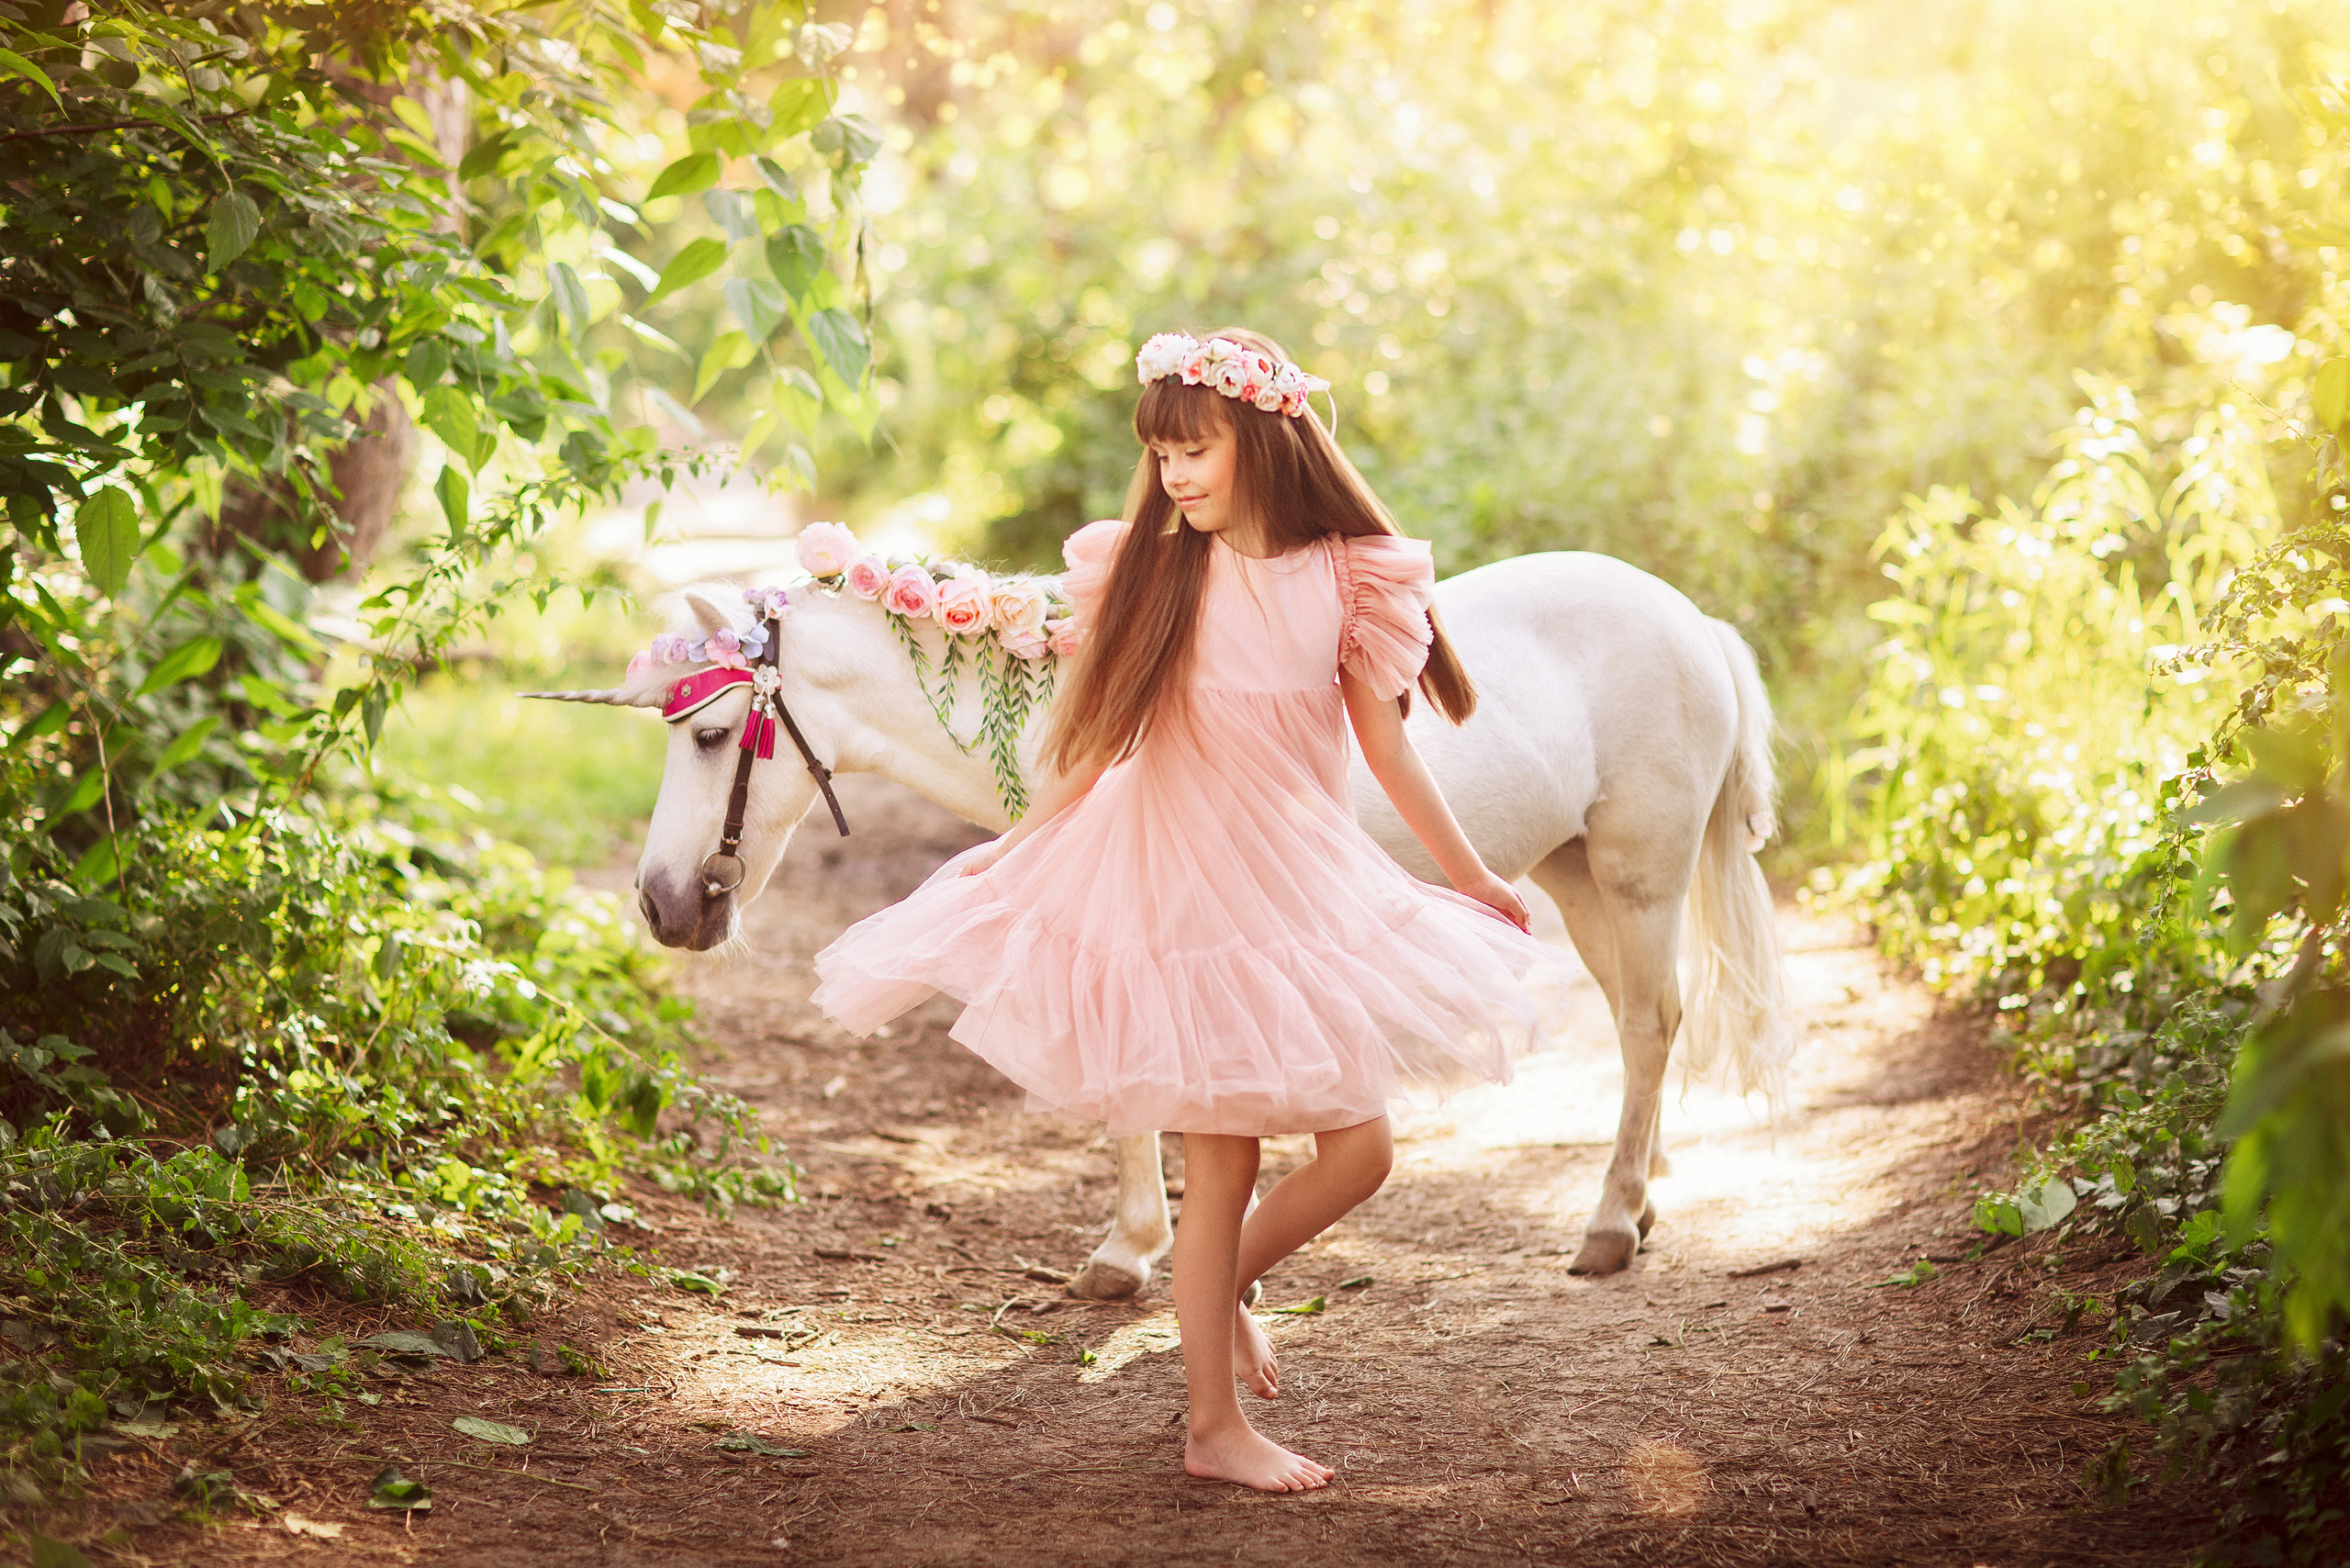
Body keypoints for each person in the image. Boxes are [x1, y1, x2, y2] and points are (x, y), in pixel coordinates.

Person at [811, 327, 1569, 1492]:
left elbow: (1387, 749)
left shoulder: (1347, 574)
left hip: (1301, 878)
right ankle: (1211, 1425)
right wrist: (1009, 849)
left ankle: (1212, 1302)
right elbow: (1094, 742)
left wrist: (1465, 872)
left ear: (1263, 440)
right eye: (1160, 455)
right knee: (1217, 1172)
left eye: (1194, 450)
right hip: (1186, 883)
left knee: (1357, 1151)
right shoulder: (1155, 570)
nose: (1172, 474)